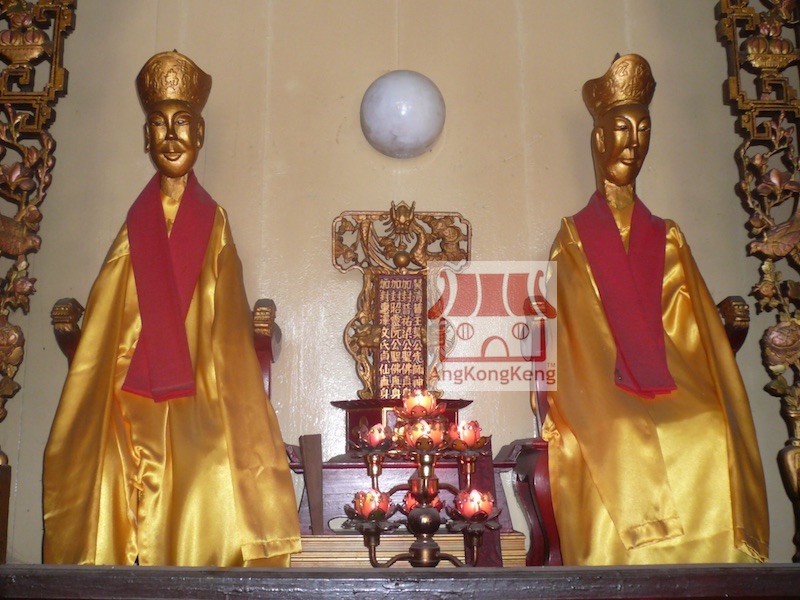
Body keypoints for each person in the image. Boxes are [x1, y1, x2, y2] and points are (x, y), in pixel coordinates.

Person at [42, 51, 301, 566]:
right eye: (157, 126)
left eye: (182, 123)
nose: (171, 136)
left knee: (209, 467)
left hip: (200, 389)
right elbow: (107, 316)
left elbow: (227, 325)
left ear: (200, 135)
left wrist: (226, 381)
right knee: (103, 469)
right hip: (126, 390)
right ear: (145, 139)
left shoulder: (213, 221)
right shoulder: (134, 224)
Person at [541, 54, 769, 564]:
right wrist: (618, 380)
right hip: (600, 382)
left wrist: (721, 320)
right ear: (598, 139)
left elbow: (688, 325)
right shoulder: (574, 238)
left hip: (670, 377)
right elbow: (577, 331)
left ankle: (718, 571)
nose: (632, 142)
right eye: (619, 128)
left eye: (643, 129)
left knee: (710, 423)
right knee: (623, 430)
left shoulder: (666, 235)